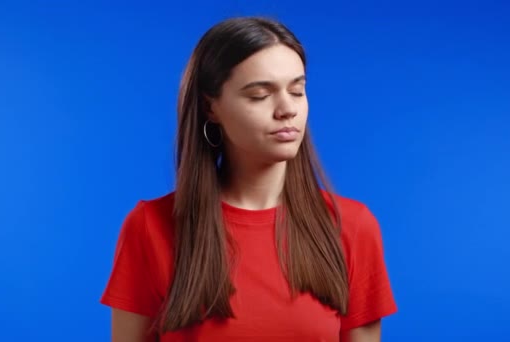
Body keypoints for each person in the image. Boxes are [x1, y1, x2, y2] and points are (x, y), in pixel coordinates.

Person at [100, 16, 397, 341]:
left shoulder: (352, 227)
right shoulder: (150, 227)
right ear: (210, 108)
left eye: (297, 91)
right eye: (259, 95)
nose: (287, 109)